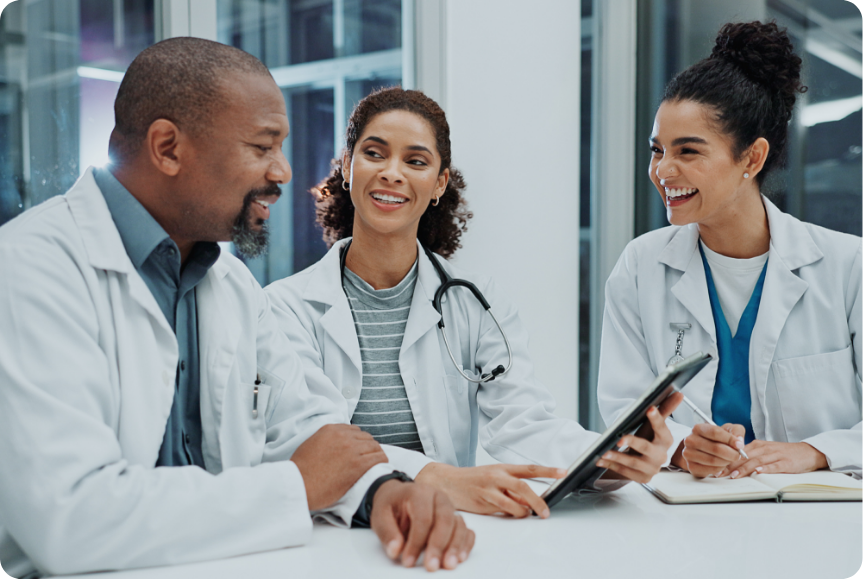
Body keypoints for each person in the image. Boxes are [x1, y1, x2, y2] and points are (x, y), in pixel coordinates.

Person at [0, 38, 474, 579]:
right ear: (168, 148)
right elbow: (72, 520)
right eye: (262, 147)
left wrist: (383, 492)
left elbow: (305, 426)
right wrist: (294, 487)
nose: (284, 172)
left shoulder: (229, 284)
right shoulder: (29, 270)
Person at [265, 87, 683, 519]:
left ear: (438, 184)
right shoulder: (286, 308)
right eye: (374, 153)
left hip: (445, 532)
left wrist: (610, 458)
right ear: (348, 167)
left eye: (415, 161)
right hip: (334, 535)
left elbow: (523, 424)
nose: (392, 173)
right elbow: (315, 441)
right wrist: (434, 477)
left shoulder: (475, 303)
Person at [597, 21, 863, 480]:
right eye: (657, 150)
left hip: (819, 520)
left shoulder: (847, 266)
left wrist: (816, 450)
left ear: (752, 158)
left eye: (689, 151)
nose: (663, 170)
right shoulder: (641, 267)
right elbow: (623, 411)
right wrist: (681, 449)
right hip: (694, 515)